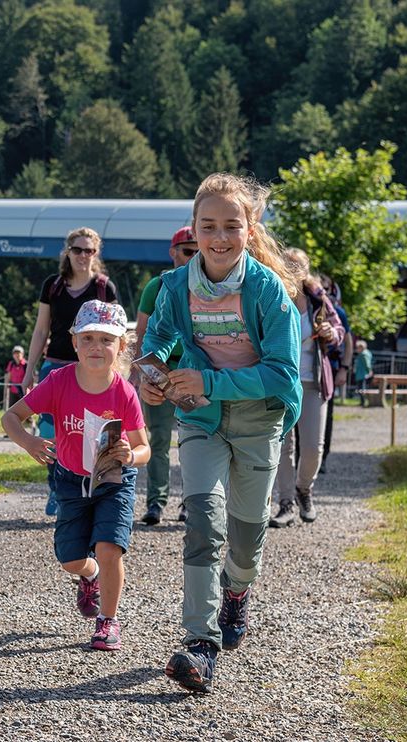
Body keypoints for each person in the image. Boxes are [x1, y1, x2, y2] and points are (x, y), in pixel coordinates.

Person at [139, 172, 301, 694]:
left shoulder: (268, 290)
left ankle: (237, 591)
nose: (220, 237)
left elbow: (283, 374)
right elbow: (160, 339)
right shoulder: (174, 287)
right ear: (194, 229)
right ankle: (200, 643)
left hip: (258, 420)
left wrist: (209, 380)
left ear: (250, 229)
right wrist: (153, 377)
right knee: (203, 524)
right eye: (208, 226)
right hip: (201, 421)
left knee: (246, 542)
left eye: (232, 225)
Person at [3, 299, 149, 651]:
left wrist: (131, 455)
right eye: (88, 339)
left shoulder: (124, 392)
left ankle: (108, 620)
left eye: (106, 340)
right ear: (74, 342)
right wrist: (29, 441)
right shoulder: (59, 381)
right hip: (70, 480)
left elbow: (145, 448)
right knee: (69, 560)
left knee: (109, 548)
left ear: (121, 346)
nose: (96, 347)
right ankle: (90, 574)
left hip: (114, 481)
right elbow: (10, 417)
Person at [22, 228, 120, 517]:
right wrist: (29, 370)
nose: (82, 255)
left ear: (96, 254)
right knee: (50, 431)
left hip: (92, 370)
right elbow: (41, 330)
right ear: (68, 251)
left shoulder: (104, 288)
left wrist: (116, 372)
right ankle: (56, 487)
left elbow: (114, 334)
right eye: (77, 249)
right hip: (56, 365)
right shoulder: (53, 286)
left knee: (88, 432)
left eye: (89, 250)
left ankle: (90, 489)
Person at [268, 251, 345, 529]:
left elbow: (339, 330)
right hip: (281, 382)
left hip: (313, 381)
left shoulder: (318, 299)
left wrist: (330, 333)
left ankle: (304, 489)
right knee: (282, 446)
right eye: (288, 265)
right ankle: (286, 503)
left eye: (298, 266)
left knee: (313, 448)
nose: (293, 270)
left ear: (306, 269)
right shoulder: (273, 294)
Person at [134, 226, 197, 525]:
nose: (194, 256)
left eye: (198, 251)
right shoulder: (156, 286)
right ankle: (155, 503)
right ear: (173, 252)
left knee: (193, 440)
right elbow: (142, 332)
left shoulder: (208, 285)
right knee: (158, 440)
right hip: (161, 370)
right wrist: (141, 374)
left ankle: (191, 502)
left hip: (193, 370)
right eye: (188, 251)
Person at [318, 275, 353, 474]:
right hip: (305, 370)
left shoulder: (337, 312)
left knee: (326, 415)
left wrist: (344, 369)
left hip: (329, 369)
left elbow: (348, 342)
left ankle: (322, 457)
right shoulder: (304, 306)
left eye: (325, 288)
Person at [354, 339, 374, 404]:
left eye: (358, 347)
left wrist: (369, 371)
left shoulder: (364, 354)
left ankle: (363, 402)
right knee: (361, 389)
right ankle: (362, 401)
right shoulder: (364, 353)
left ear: (361, 347)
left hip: (362, 374)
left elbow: (367, 364)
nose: (357, 349)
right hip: (361, 374)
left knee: (362, 389)